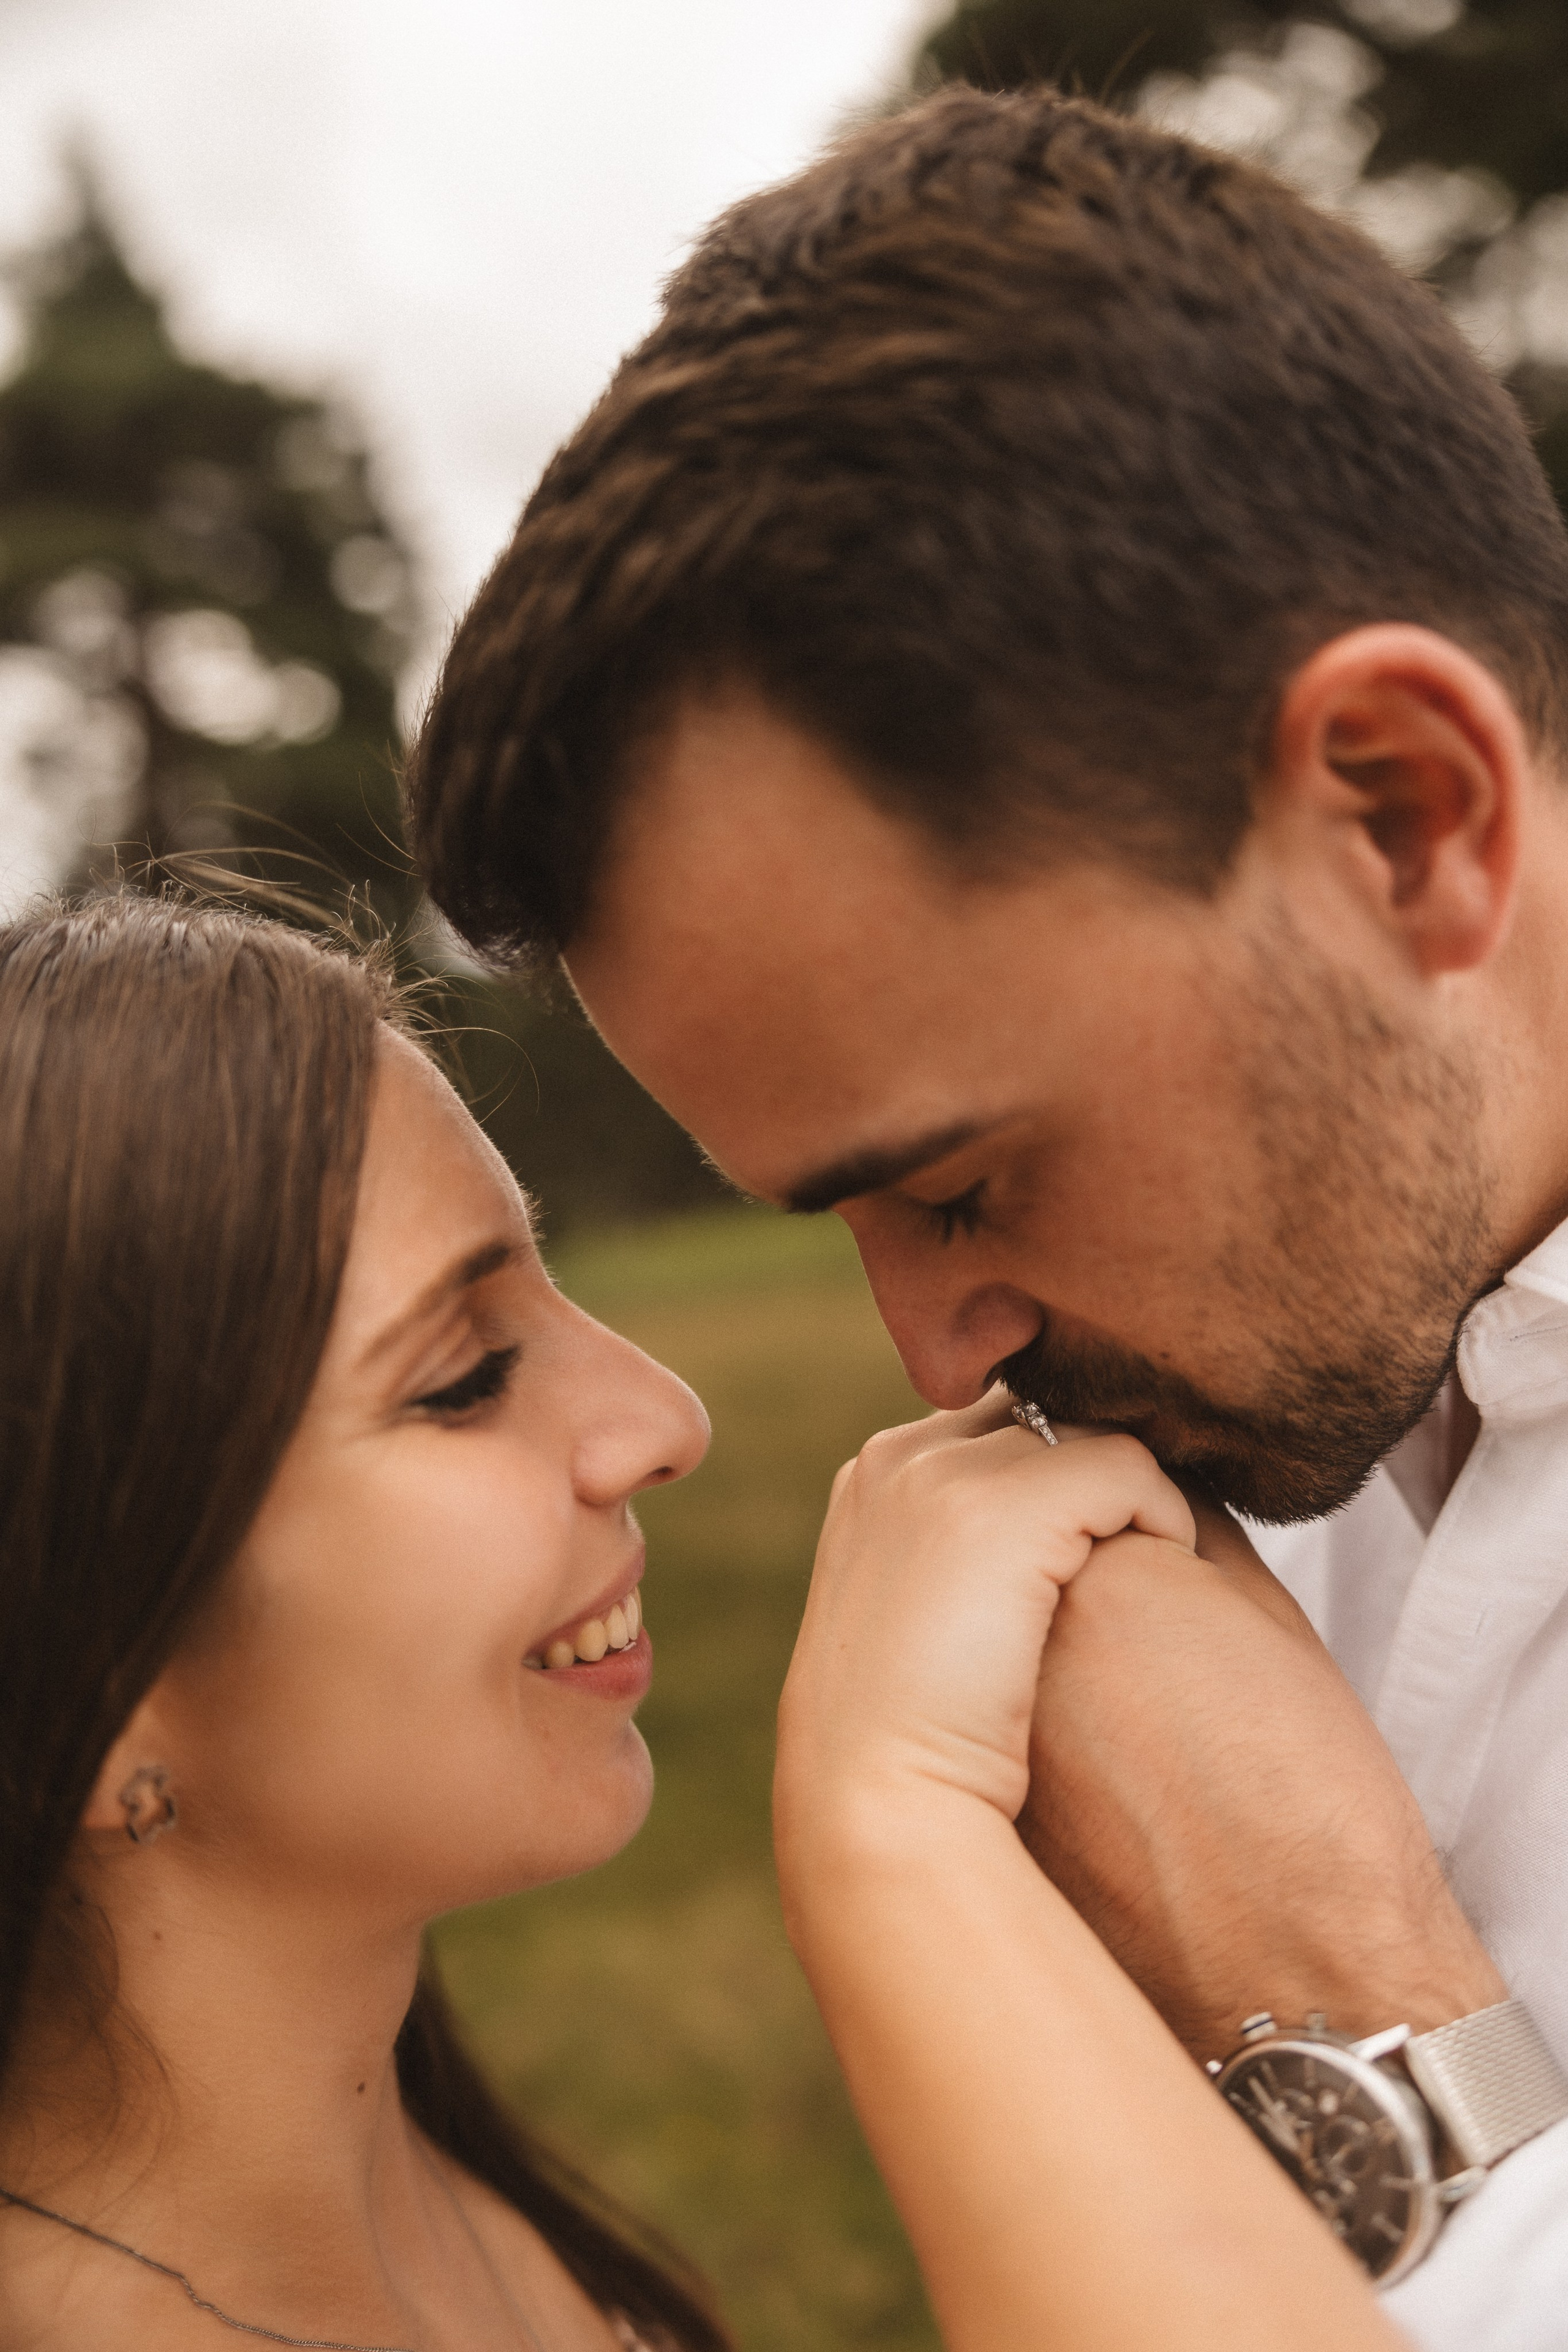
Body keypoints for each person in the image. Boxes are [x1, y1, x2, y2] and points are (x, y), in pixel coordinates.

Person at [405, 80, 1568, 2342]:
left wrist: (1347, 2032)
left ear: (1403, 816)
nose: (938, 1361)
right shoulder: (1226, 1412)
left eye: (960, 1184)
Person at [0, 889, 1400, 2350]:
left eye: (552, 1290)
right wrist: (896, 1839)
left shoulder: (412, 2179)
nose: (661, 1417)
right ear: (98, 1697)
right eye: (464, 1376)